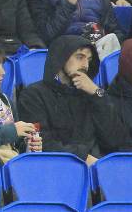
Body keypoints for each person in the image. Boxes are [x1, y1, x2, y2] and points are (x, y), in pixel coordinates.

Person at [17, 35, 115, 163]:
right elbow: (42, 143)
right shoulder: (33, 95)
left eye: (89, 59)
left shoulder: (92, 93)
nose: (86, 65)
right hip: (56, 167)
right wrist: (83, 157)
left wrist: (97, 94)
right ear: (61, 57)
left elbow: (113, 136)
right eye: (80, 57)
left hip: (98, 164)